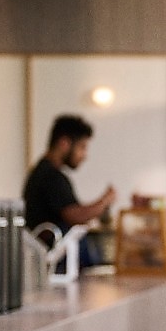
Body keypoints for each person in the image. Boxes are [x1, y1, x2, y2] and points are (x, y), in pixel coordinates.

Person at [22, 114, 115, 266]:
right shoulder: (51, 176)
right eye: (82, 147)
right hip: (56, 264)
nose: (84, 155)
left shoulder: (43, 172)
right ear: (64, 143)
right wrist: (105, 200)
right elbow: (75, 216)